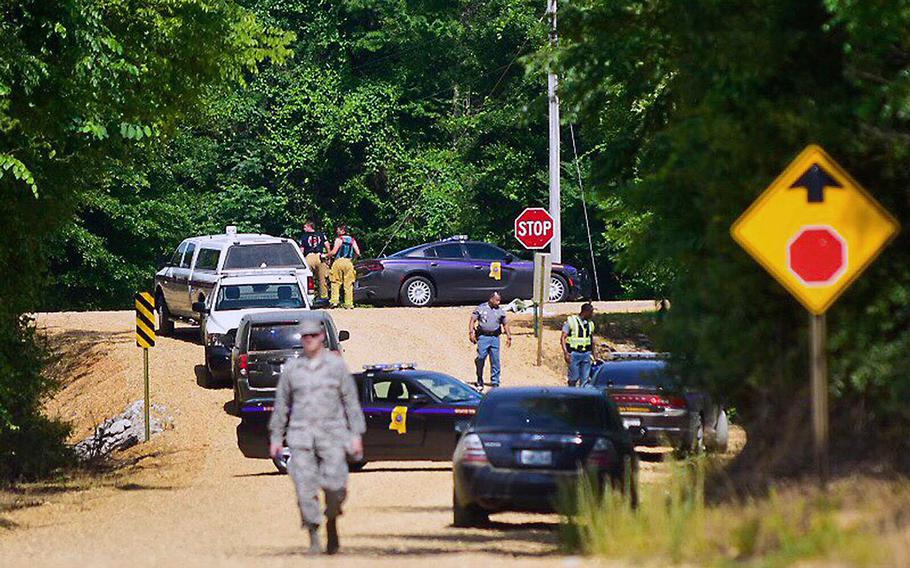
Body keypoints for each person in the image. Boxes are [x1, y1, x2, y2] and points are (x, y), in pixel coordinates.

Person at [268, 319, 366, 555]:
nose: (309, 339)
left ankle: (332, 520)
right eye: (304, 336)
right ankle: (313, 533)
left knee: (335, 486)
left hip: (332, 436)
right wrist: (275, 438)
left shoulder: (336, 366)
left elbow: (351, 401)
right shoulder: (293, 369)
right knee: (304, 487)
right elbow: (281, 405)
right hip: (301, 438)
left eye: (313, 335)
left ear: (322, 336)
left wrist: (356, 435)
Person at [469, 291, 512, 389]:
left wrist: (509, 336)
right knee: (481, 358)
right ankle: (479, 379)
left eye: (499, 300)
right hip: (483, 337)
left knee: (495, 360)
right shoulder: (481, 308)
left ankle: (495, 381)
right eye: (497, 300)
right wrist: (471, 333)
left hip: (495, 338)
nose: (498, 302)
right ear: (491, 299)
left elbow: (505, 324)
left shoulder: (500, 311)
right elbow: (472, 320)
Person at [561, 303, 596, 387]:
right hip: (574, 354)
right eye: (591, 312)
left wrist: (594, 355)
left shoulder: (590, 324)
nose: (592, 314)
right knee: (574, 377)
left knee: (585, 379)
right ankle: (572, 394)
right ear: (585, 312)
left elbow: (592, 340)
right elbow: (563, 338)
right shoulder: (571, 321)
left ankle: (582, 397)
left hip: (586, 354)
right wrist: (566, 353)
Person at [328, 224, 360, 309]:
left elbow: (334, 252)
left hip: (338, 261)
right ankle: (349, 303)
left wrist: (326, 255)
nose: (337, 231)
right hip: (348, 262)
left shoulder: (339, 239)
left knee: (335, 282)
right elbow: (358, 252)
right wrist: (353, 260)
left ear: (342, 231)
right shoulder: (352, 240)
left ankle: (334, 301)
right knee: (349, 284)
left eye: (338, 229)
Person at [300, 221, 331, 301]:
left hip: (309, 257)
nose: (304, 229)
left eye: (305, 227)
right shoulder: (321, 234)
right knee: (322, 278)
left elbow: (302, 249)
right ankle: (324, 297)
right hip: (320, 257)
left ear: (310, 226)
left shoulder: (304, 237)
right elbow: (327, 245)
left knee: (307, 278)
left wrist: (301, 259)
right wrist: (328, 256)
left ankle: (308, 297)